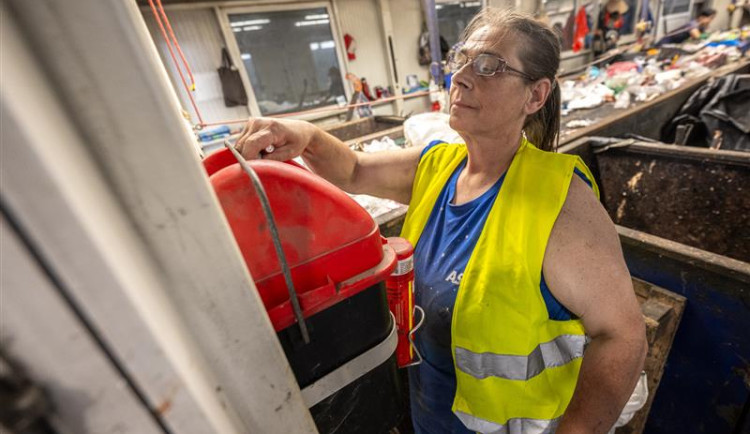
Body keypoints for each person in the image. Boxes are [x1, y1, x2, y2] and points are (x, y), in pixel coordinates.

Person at [235, 8, 646, 433]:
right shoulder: (437, 166)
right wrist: (304, 133)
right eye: (461, 60)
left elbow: (623, 337)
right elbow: (354, 170)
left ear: (535, 96)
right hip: (430, 414)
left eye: (488, 66)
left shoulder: (560, 202)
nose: (461, 77)